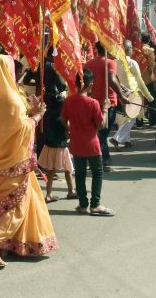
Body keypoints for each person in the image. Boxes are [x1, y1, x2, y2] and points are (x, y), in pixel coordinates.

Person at [0, 55, 57, 267]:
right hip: (12, 163)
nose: (17, 75)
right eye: (14, 70)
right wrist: (38, 115)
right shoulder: (10, 99)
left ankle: (9, 243)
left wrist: (29, 109)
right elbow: (21, 129)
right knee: (15, 206)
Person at [61, 69, 114, 216]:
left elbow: (63, 120)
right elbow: (102, 125)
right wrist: (105, 109)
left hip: (77, 144)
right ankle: (95, 204)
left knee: (80, 174)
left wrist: (70, 129)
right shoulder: (93, 103)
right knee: (97, 172)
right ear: (90, 84)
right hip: (91, 144)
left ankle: (83, 204)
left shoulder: (69, 100)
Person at [36, 58, 76, 203]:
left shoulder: (46, 100)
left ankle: (49, 193)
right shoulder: (61, 101)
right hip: (60, 141)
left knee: (52, 169)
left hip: (50, 137)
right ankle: (71, 191)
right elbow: (63, 86)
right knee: (66, 167)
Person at [85, 42, 128, 171]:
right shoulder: (110, 62)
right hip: (108, 104)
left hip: (93, 102)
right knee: (102, 134)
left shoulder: (89, 63)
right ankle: (102, 160)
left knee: (98, 133)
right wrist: (121, 95)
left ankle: (101, 159)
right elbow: (111, 80)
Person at [111, 40, 153, 149]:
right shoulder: (132, 63)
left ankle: (127, 141)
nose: (132, 50)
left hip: (119, 92)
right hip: (132, 94)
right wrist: (148, 96)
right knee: (131, 117)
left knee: (124, 117)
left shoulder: (114, 62)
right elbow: (140, 81)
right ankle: (117, 138)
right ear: (128, 49)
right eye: (131, 48)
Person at [139, 33, 156, 126]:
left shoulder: (136, 49)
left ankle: (139, 121)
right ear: (149, 40)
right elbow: (151, 66)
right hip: (147, 78)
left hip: (137, 77)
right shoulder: (149, 50)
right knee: (151, 99)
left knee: (139, 99)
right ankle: (152, 120)